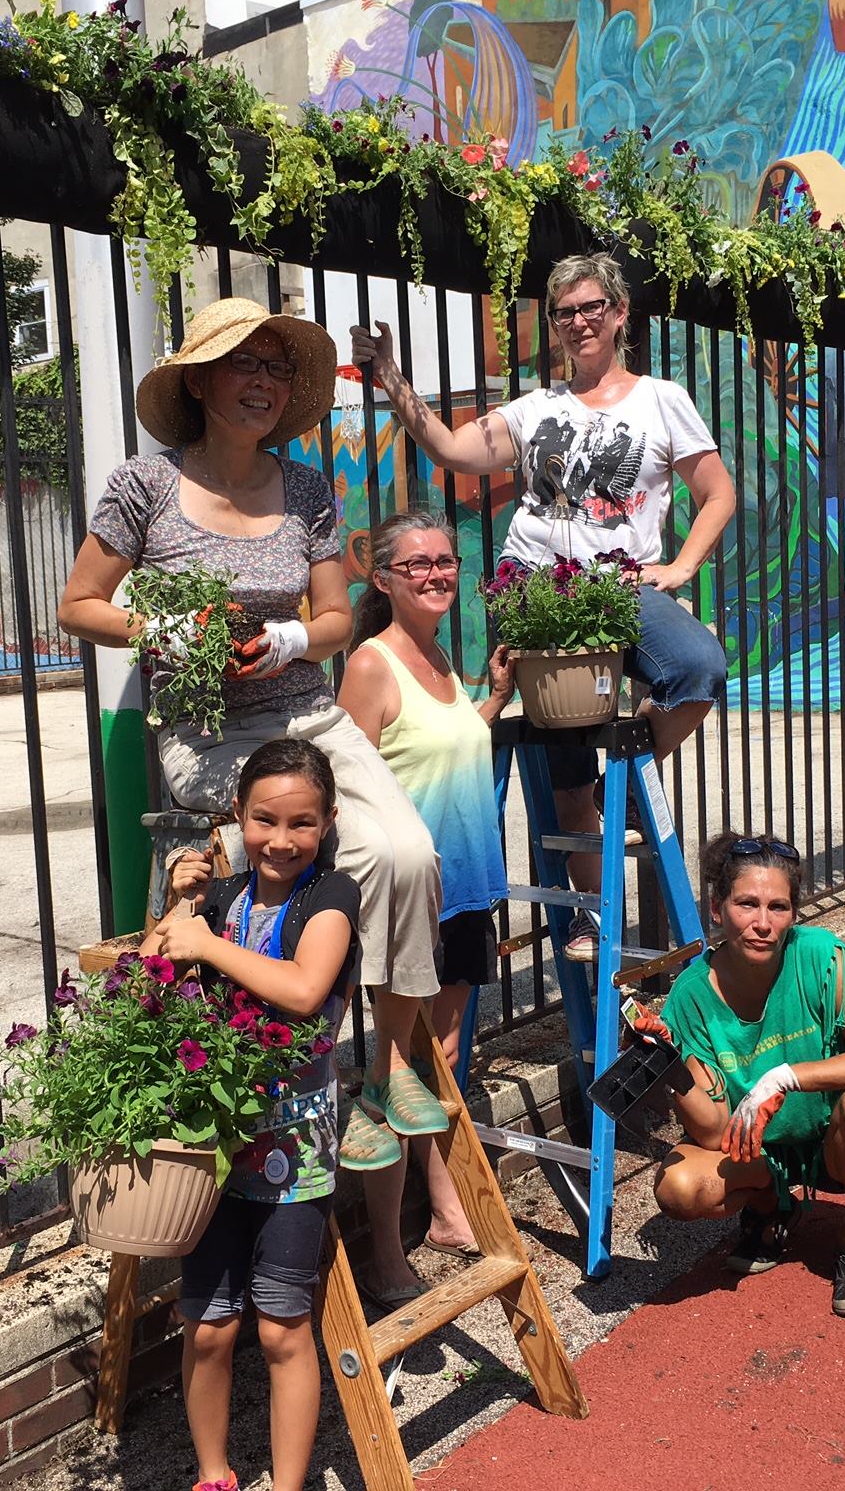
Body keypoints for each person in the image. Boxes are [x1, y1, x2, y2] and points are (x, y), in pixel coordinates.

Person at [58, 296, 447, 1162]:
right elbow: (78, 607)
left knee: (407, 854)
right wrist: (168, 631)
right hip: (207, 733)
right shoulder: (145, 485)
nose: (263, 384)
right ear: (199, 381)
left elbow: (341, 618)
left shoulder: (306, 486)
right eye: (245, 364)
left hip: (305, 709)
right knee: (299, 867)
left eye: (277, 369)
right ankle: (315, 1070)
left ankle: (386, 1070)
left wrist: (290, 638)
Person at [351, 251, 736, 962]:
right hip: (533, 581)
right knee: (563, 761)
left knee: (698, 666)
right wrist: (392, 378)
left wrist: (681, 566)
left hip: (618, 584)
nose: (580, 322)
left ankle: (622, 782)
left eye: (593, 307)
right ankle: (591, 914)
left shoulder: (662, 399)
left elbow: (719, 491)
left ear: (620, 315)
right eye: (565, 312)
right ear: (554, 326)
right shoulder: (536, 409)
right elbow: (450, 447)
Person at [143, 739, 359, 1491]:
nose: (281, 839)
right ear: (237, 815)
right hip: (211, 1146)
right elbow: (152, 986)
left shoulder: (331, 897)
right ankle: (214, 1474)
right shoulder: (220, 899)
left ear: (327, 822)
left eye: (302, 822)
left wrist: (206, 940)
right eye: (264, 819)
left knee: (281, 1326)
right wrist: (177, 908)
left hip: (295, 1148)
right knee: (208, 1326)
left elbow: (304, 991)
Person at [336, 511, 515, 1302]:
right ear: (383, 579)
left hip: (469, 891)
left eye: (446, 562)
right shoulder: (372, 664)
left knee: (442, 1067)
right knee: (394, 1072)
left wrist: (495, 702)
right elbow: (348, 785)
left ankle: (442, 1210)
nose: (437, 574)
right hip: (416, 905)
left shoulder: (441, 658)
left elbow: (442, 746)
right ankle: (387, 1250)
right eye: (418, 565)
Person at [633, 833, 845, 1319]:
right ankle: (770, 1203)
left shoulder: (820, 955)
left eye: (778, 907)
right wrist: (670, 1066)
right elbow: (717, 1131)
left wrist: (784, 1076)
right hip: (757, 1152)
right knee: (677, 1188)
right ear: (717, 909)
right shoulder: (692, 994)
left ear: (793, 914)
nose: (763, 923)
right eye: (746, 904)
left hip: (833, 1142)